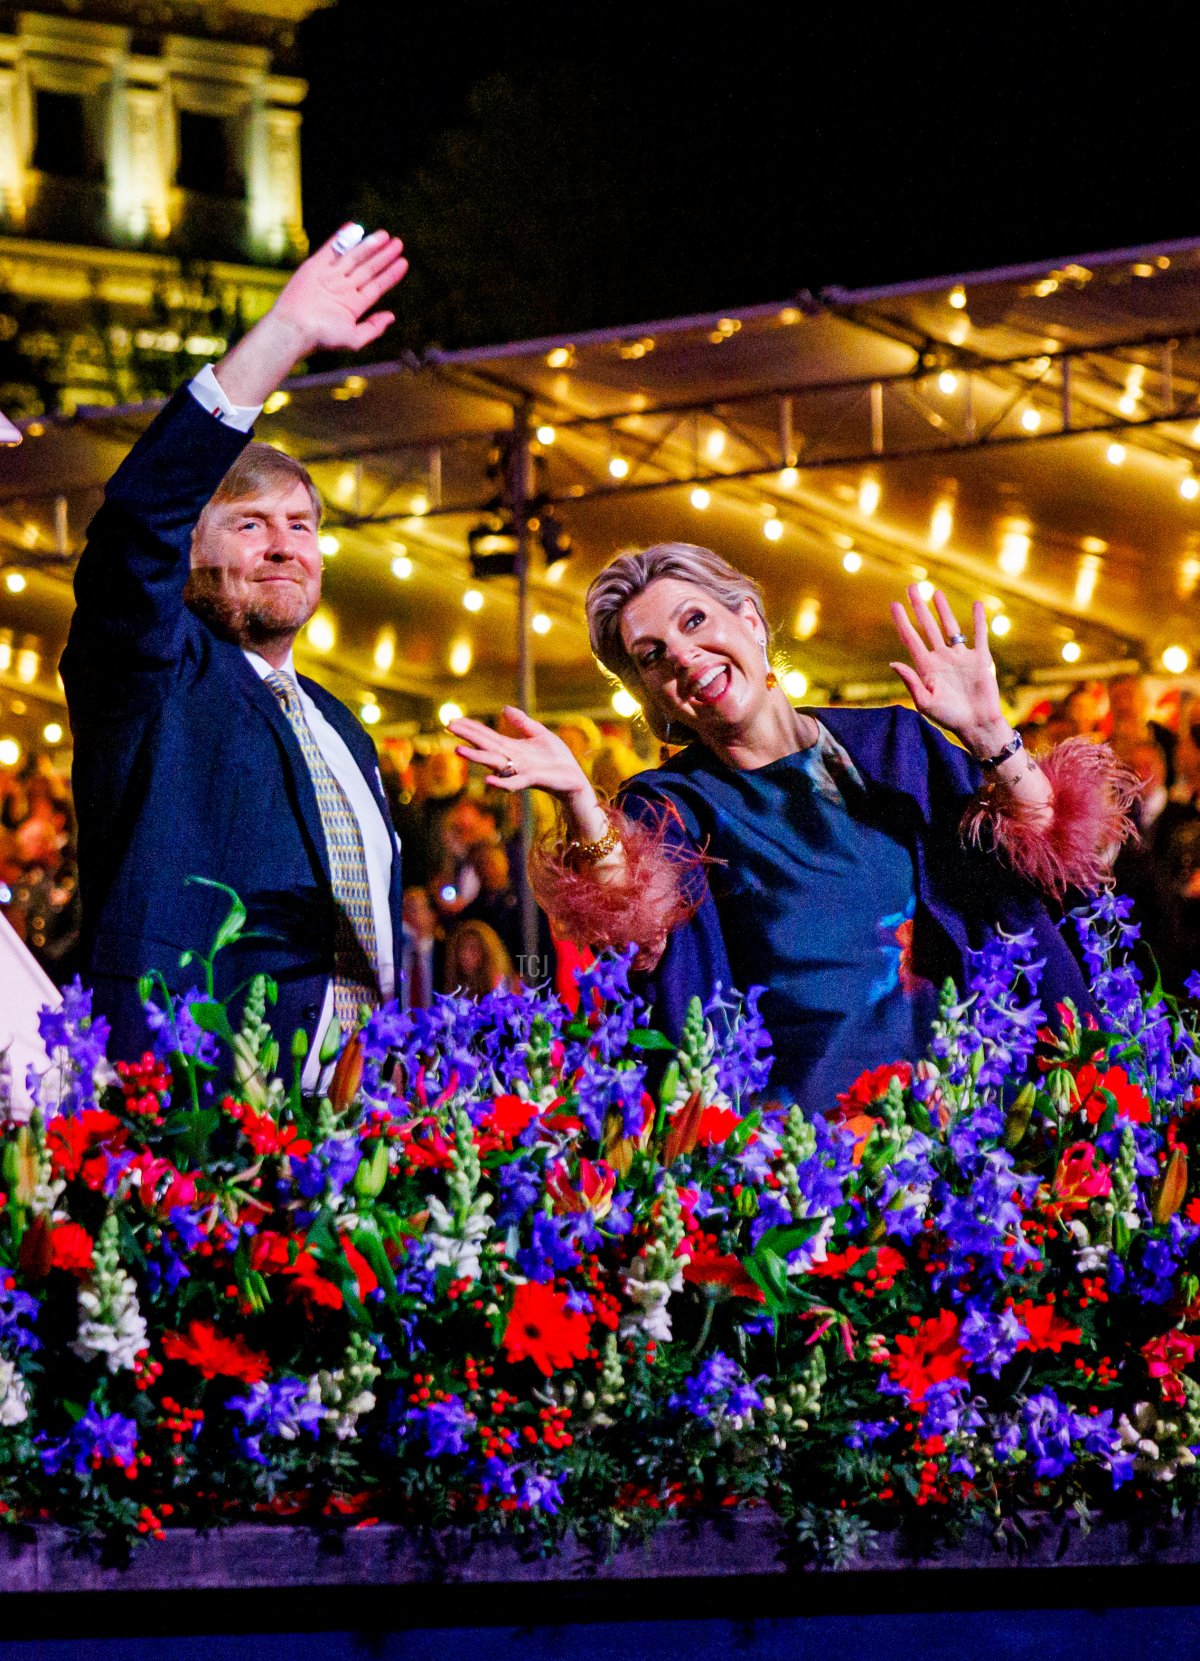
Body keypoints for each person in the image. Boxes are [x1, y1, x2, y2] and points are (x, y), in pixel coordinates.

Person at [449, 543, 1137, 1111]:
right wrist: (578, 798)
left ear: (749, 619)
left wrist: (991, 733)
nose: (684, 657)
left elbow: (1054, 868)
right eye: (652, 655)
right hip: (813, 1162)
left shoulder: (893, 744)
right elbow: (640, 930)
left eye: (694, 621)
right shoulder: (673, 800)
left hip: (980, 1115)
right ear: (648, 695)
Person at [60, 224, 409, 1075]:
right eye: (249, 525)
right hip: (197, 1113)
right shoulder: (154, 674)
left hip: (350, 1119)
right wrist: (282, 335)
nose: (284, 545)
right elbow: (140, 522)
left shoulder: (341, 725)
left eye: (302, 525)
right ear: (190, 549)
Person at [443, 918, 514, 998]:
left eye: (473, 949)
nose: (465, 955)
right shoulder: (455, 985)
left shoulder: (500, 985)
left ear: (487, 954)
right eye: (461, 948)